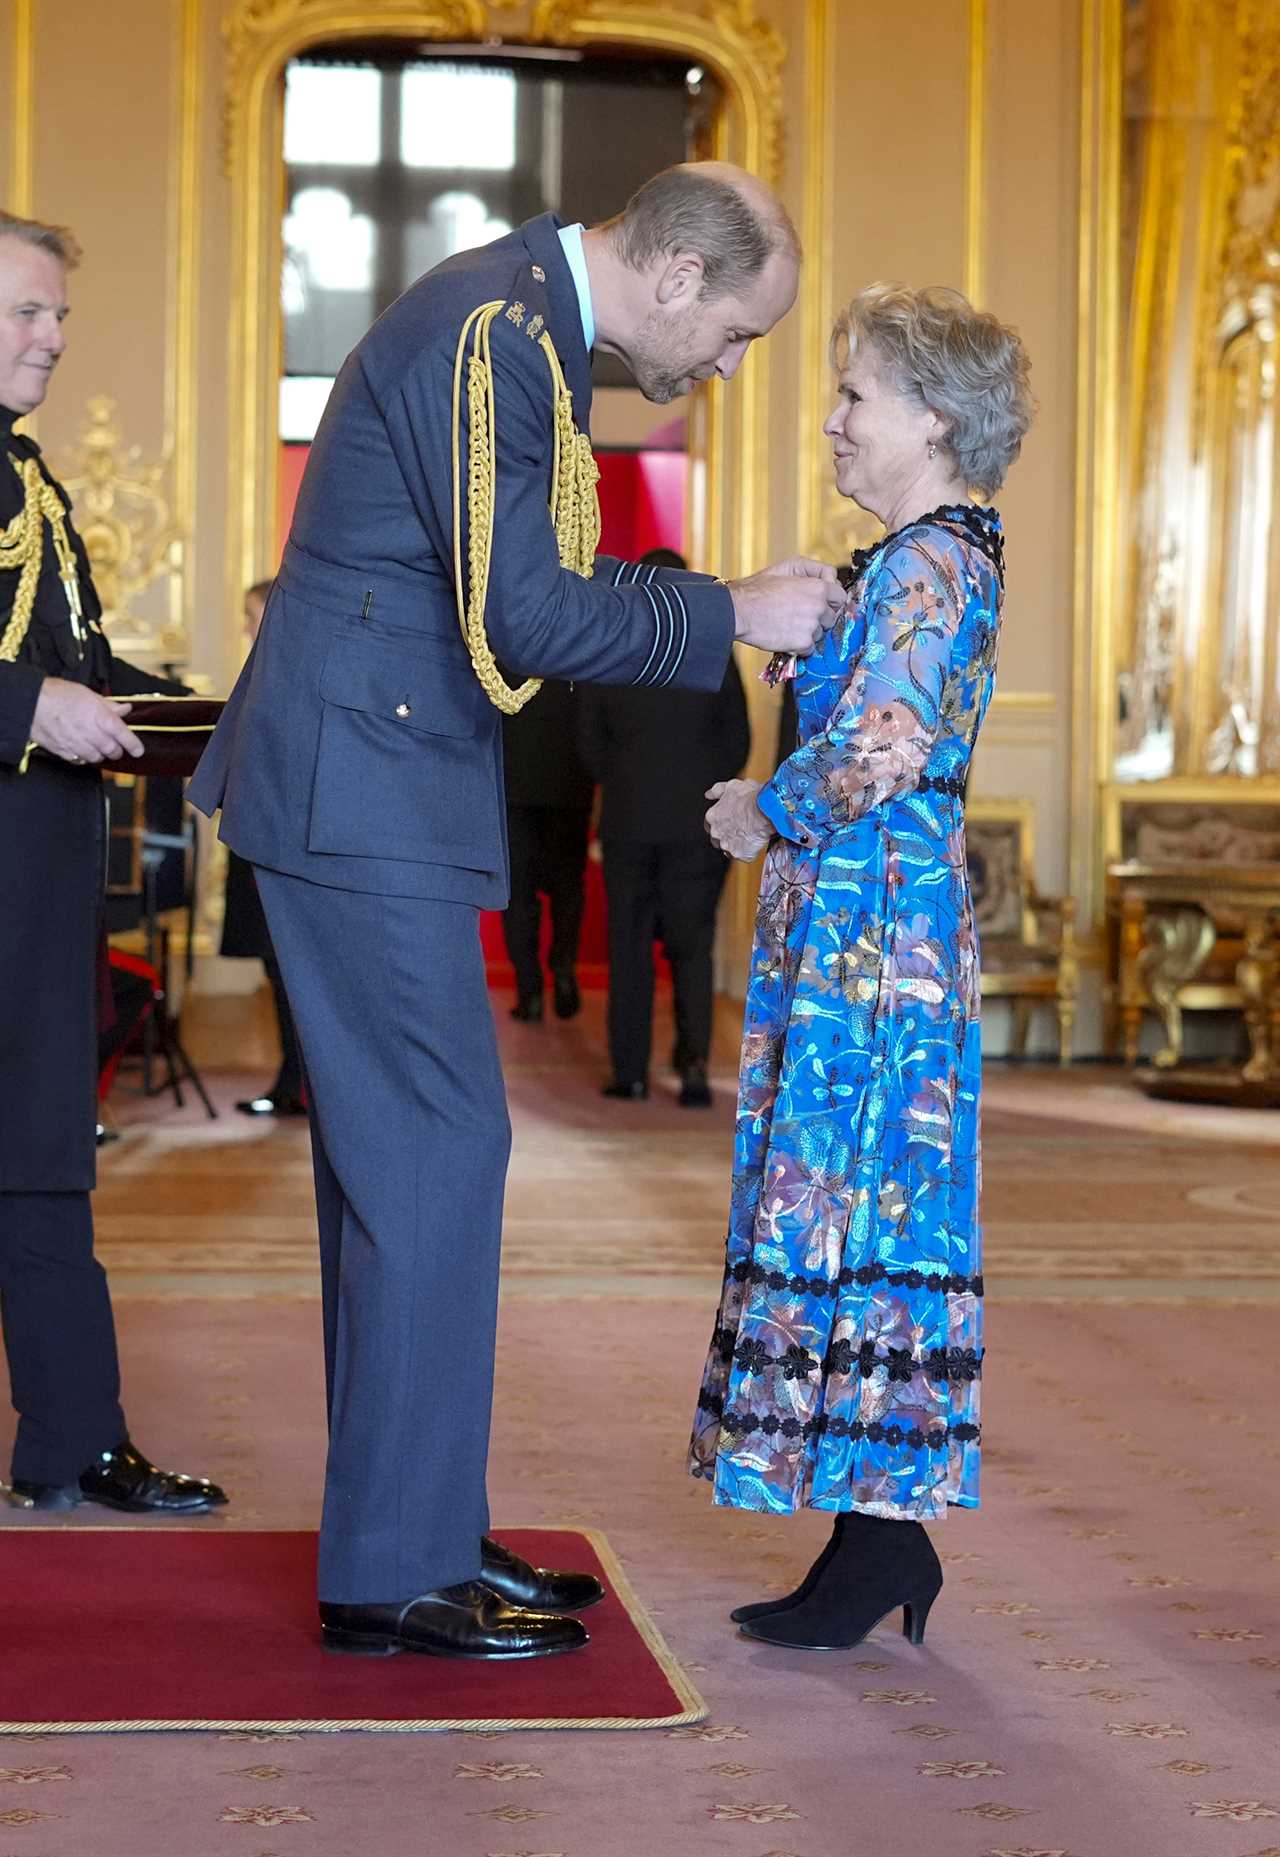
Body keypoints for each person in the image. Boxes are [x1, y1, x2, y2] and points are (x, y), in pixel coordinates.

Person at [190, 161, 841, 1662]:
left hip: (374, 774)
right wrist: (733, 608)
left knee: (402, 1167)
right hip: (360, 783)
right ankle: (393, 1569)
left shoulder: (521, 322)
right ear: (676, 276)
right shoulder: (500, 332)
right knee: (434, 1151)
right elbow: (526, 612)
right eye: (738, 335)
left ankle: (408, 1526)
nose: (729, 368)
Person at [690, 282, 1034, 1649]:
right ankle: (879, 1536)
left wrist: (759, 806)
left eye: (855, 397)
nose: (830, 421)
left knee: (866, 1195)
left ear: (936, 417)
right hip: (874, 921)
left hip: (869, 933)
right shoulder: (929, 557)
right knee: (869, 1200)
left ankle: (881, 1540)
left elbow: (885, 746)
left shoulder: (925, 560)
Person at [0, 211, 226, 1515]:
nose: (55, 338)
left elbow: (84, 669)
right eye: (29, 312)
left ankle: (75, 1442)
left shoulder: (35, 483)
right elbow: (38, 692)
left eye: (62, 316)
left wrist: (207, 716)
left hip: (36, 896)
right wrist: (28, 711)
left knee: (42, 1166)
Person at [577, 546, 750, 1105]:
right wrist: (710, 791)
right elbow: (738, 737)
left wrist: (620, 781)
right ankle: (694, 1066)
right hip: (694, 827)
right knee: (692, 948)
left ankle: (630, 1073)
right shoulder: (713, 649)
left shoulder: (615, 645)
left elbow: (587, 741)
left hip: (628, 821)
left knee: (629, 952)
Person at [220, 579, 307, 1117]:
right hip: (266, 842)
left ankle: (296, 1085)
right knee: (279, 977)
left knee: (290, 978)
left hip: (278, 848)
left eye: (252, 616)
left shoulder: (286, 677)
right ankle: (290, 1081)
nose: (247, 627)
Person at [500, 677, 593, 1023]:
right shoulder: (580, 641)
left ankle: (529, 990)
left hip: (516, 785)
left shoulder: (507, 639)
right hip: (570, 784)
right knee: (568, 888)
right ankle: (564, 967)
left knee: (519, 897)